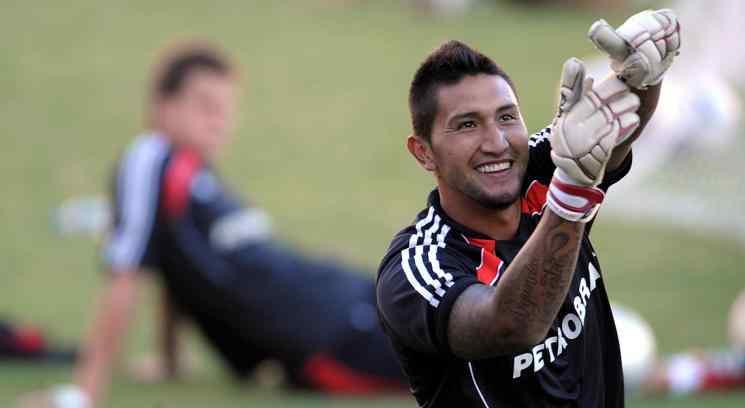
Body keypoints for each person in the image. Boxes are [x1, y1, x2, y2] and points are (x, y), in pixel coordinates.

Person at [26, 42, 406, 408]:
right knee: (452, 360)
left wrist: (169, 360)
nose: (219, 122)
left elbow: (172, 264)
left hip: (350, 295)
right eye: (205, 106)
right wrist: (83, 395)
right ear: (162, 106)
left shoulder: (190, 174)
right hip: (333, 340)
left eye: (226, 110)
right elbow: (125, 274)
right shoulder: (149, 159)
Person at [376, 9, 680, 407]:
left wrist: (642, 74)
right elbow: (510, 326)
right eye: (468, 125)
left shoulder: (545, 165)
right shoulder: (417, 269)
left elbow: (619, 129)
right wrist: (572, 192)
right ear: (424, 153)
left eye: (507, 117)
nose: (497, 142)